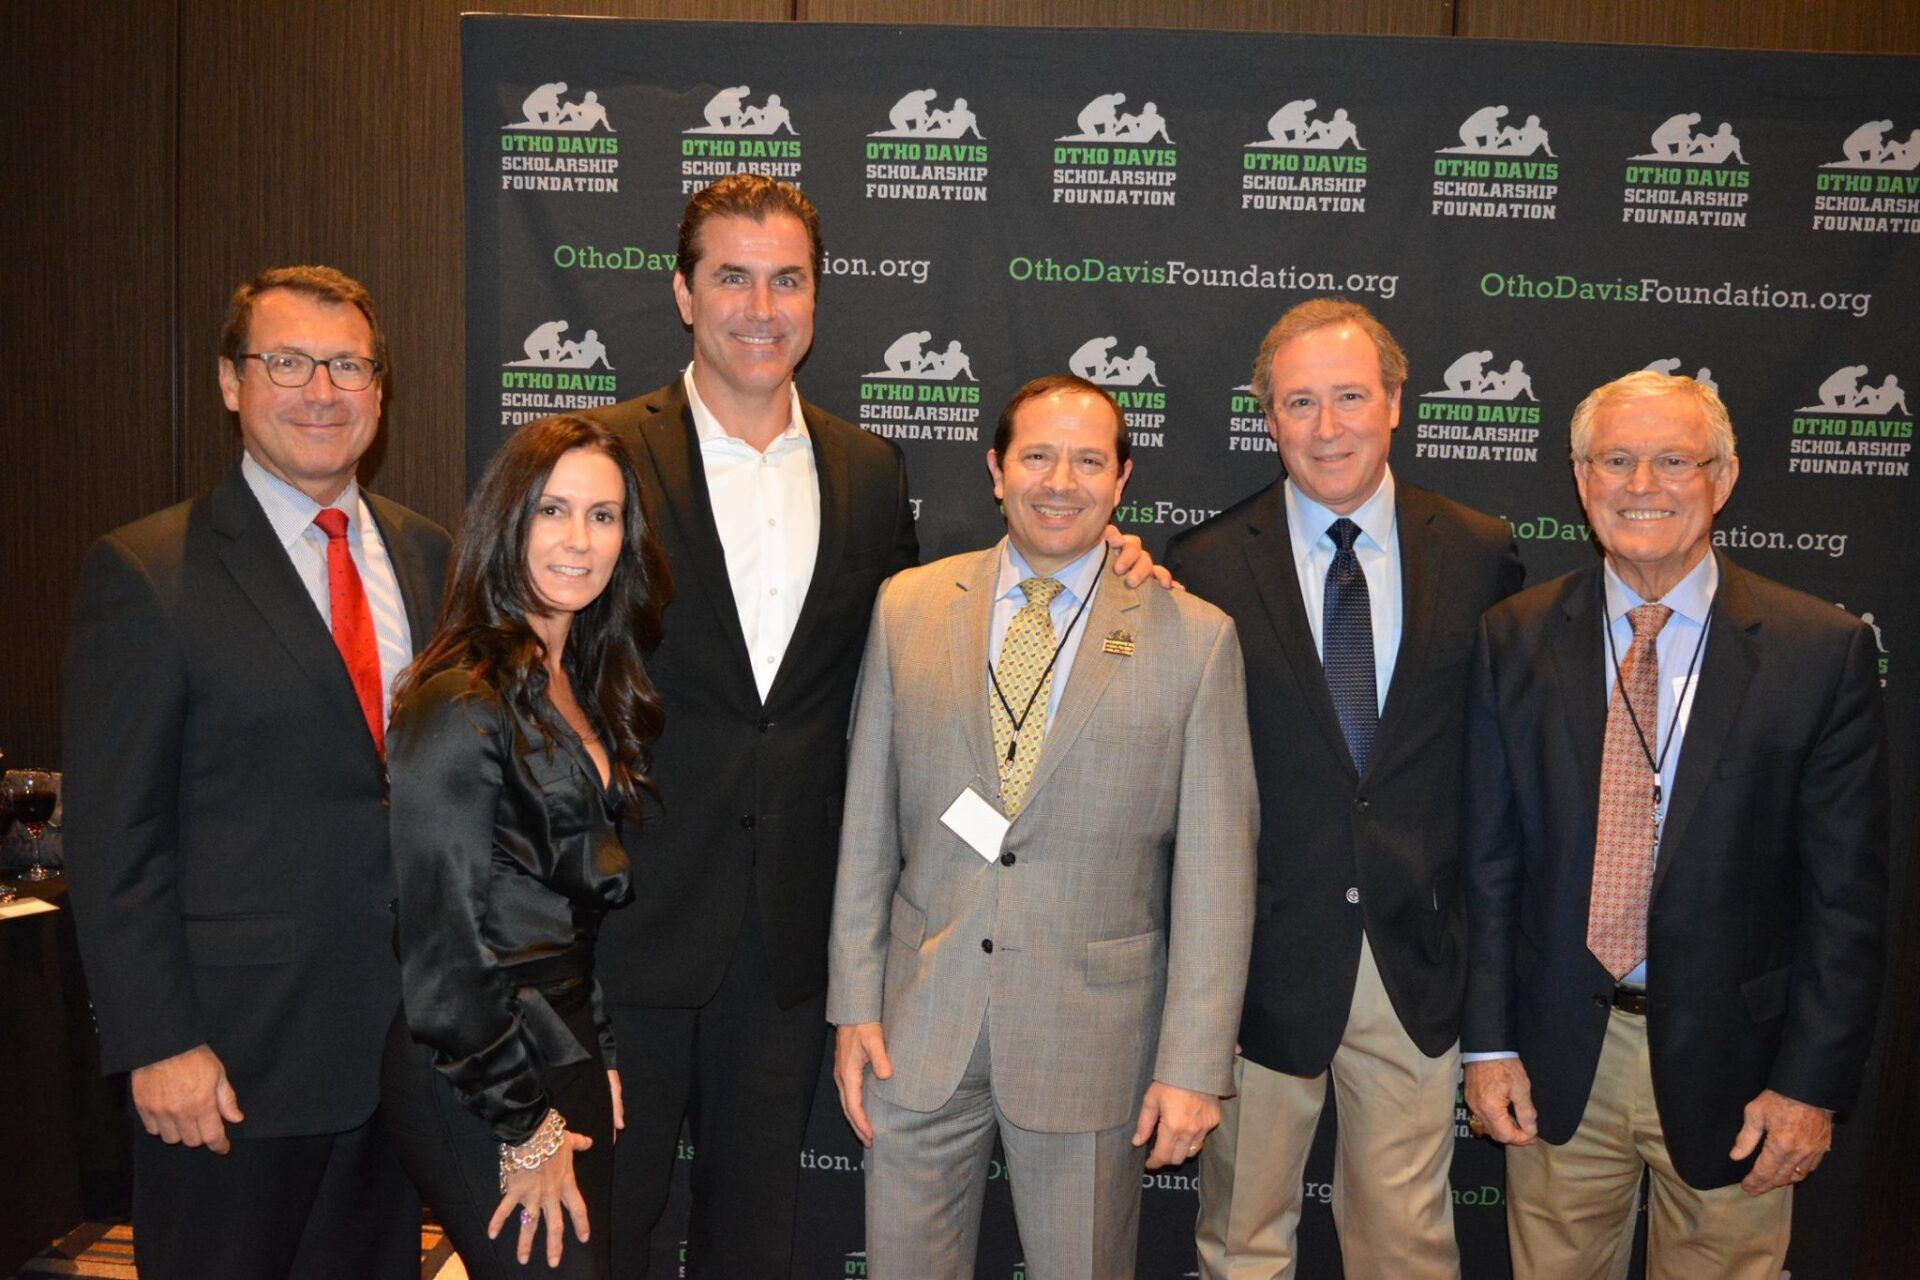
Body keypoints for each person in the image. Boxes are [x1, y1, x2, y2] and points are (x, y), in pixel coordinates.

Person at [586, 174, 1162, 1278]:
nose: (762, 306)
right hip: (630, 917)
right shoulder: (599, 455)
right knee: (614, 1225)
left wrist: (1110, 560)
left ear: (817, 296)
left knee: (755, 1230)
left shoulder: (865, 470)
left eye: (788, 279)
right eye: (733, 277)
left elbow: (920, 683)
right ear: (682, 293)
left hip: (792, 935)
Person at [62, 265, 451, 1280]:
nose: (321, 390)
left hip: (397, 1059)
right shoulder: (148, 571)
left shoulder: (430, 558)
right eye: (287, 362)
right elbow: (115, 839)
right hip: (229, 1070)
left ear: (380, 388)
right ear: (232, 383)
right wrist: (157, 1041)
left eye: (349, 365)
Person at [829, 375, 1257, 1279]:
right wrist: (854, 1002)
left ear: (1122, 480)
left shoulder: (1196, 636)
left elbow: (1219, 875)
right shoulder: (907, 607)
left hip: (1093, 1038)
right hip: (919, 1027)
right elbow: (866, 823)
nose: (1060, 481)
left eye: (1088, 460)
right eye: (1036, 455)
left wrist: (1192, 1062)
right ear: (995, 469)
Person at [1463, 372, 1888, 1279]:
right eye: (1615, 461)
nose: (1641, 485)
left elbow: (1845, 901)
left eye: (1671, 461)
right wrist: (1491, 1045)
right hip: (1558, 1058)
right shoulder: (1518, 636)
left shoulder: (1820, 651)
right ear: (1581, 480)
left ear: (1723, 478)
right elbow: (1491, 866)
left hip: (1741, 1067)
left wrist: (1809, 1085)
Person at [1170, 299, 1522, 1280]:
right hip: (1260, 965)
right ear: (1268, 417)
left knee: (1405, 1244)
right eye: (1300, 402)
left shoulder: (1481, 550)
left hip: (1416, 961)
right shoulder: (1203, 564)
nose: (1328, 427)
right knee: (1241, 1239)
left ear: (1397, 402)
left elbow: (1501, 773)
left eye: (1351, 397)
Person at [381, 414, 671, 1278]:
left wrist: (598, 1054)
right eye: (554, 510)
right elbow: (442, 949)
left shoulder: (580, 680)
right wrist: (523, 1124)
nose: (581, 540)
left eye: (605, 515)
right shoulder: (459, 696)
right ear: (507, 521)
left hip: (562, 1036)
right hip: (477, 1060)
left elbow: (568, 912)